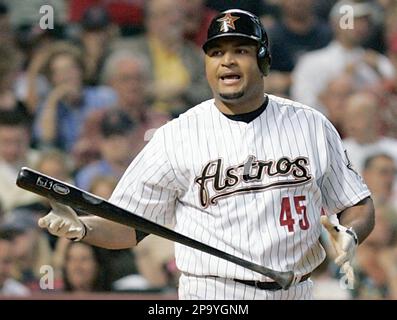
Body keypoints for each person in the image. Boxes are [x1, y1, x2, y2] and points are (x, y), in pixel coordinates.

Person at [37, 9, 375, 300]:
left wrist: (351, 232)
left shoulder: (311, 125)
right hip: (213, 294)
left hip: (297, 289)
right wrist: (83, 228)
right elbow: (129, 227)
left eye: (241, 50)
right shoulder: (176, 136)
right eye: (216, 53)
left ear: (264, 61)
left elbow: (356, 203)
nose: (227, 60)